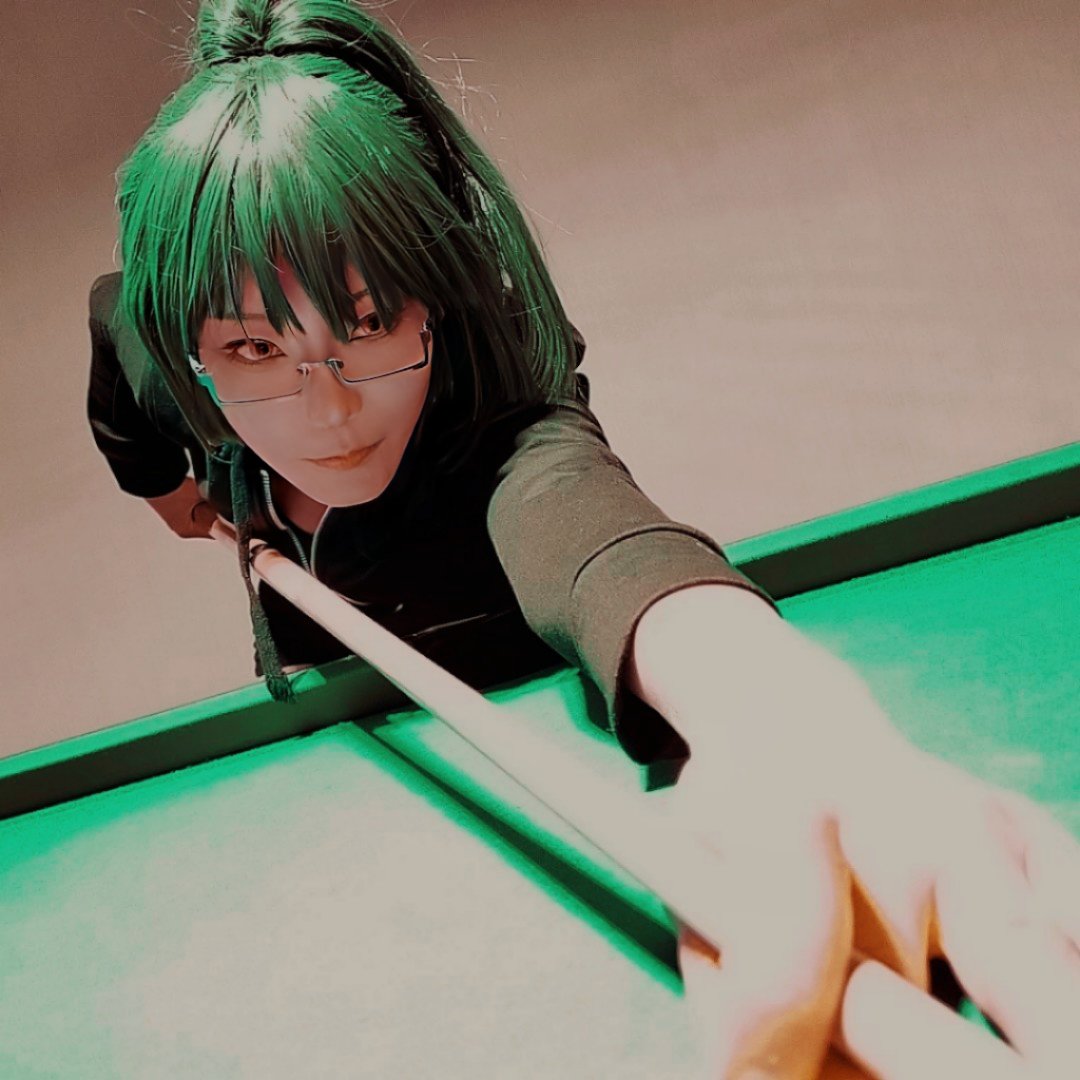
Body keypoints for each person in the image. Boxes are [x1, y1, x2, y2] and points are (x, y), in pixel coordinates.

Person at [87, 1, 1080, 1075]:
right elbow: (120, 379)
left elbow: (586, 523)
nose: (328, 413)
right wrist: (174, 493)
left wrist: (788, 723)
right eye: (253, 349)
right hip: (332, 671)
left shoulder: (508, 411)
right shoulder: (150, 337)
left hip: (514, 657)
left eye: (368, 324)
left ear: (434, 304)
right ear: (189, 350)